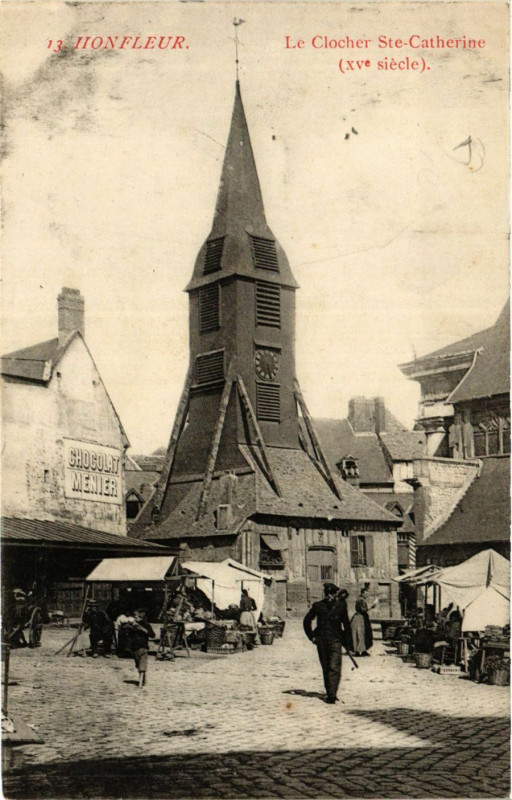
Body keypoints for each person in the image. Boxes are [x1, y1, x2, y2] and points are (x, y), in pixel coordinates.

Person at [303, 583, 353, 705]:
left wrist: (348, 644)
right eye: (329, 594)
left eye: (332, 594)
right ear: (326, 594)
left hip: (336, 640)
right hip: (321, 640)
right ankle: (329, 691)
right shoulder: (318, 606)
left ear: (335, 594)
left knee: (334, 667)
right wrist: (312, 637)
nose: (330, 597)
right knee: (326, 666)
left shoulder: (341, 606)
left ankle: (331, 695)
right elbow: (307, 620)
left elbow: (346, 624)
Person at [125, 608, 155, 688]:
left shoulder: (146, 624)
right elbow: (128, 635)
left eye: (136, 616)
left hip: (143, 646)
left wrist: (141, 629)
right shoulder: (132, 625)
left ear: (141, 616)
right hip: (134, 647)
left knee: (142, 664)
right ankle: (143, 678)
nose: (134, 618)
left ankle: (140, 683)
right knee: (138, 664)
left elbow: (152, 635)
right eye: (134, 616)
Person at [351, 586, 376, 657]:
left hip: (362, 617)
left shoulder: (361, 599)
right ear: (362, 593)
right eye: (365, 594)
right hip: (360, 618)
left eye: (367, 594)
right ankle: (358, 651)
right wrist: (371, 607)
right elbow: (363, 610)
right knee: (360, 634)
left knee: (363, 634)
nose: (367, 595)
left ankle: (363, 650)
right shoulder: (361, 600)